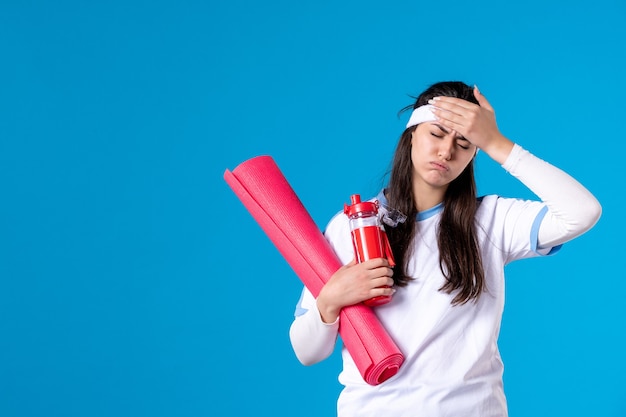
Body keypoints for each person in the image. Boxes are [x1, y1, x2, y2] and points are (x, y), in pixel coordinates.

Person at [288, 81, 602, 416]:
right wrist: (330, 300)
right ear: (411, 134)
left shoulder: (492, 220)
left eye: (464, 143)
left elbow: (583, 212)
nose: (447, 152)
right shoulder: (354, 225)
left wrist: (496, 143)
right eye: (436, 134)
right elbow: (307, 351)